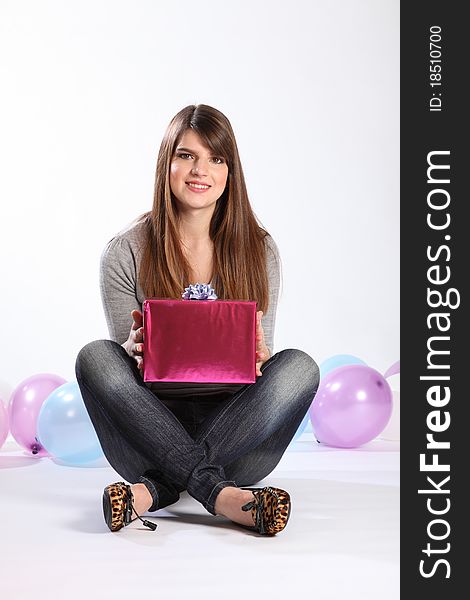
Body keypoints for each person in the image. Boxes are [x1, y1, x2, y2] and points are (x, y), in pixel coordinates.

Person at [75, 104, 319, 536]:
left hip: (238, 443)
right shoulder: (125, 250)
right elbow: (124, 382)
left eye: (216, 158)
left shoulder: (260, 251)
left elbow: (262, 369)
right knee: (97, 355)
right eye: (186, 155)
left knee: (298, 366)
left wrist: (260, 355)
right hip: (146, 437)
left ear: (230, 172)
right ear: (166, 163)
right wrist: (132, 350)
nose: (199, 170)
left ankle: (150, 494)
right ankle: (223, 497)